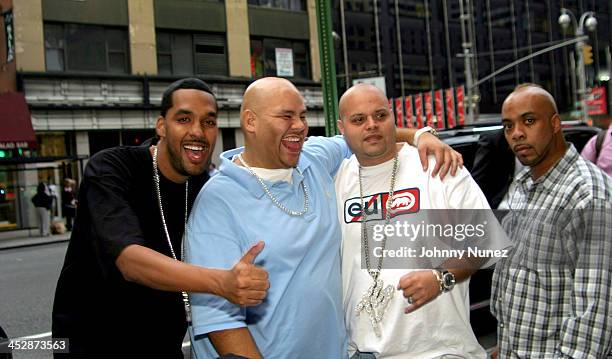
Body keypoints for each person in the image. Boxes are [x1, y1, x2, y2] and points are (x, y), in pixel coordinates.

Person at [186, 77, 462, 358]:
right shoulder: (217, 202)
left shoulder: (312, 158)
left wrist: (420, 135)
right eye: (286, 116)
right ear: (250, 121)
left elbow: (366, 131)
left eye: (303, 116)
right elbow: (222, 324)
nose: (299, 126)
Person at [52, 78, 269, 358]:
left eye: (209, 122)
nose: (198, 132)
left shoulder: (206, 185)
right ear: (161, 126)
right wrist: (221, 282)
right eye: (183, 119)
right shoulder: (112, 168)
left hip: (162, 345)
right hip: (90, 345)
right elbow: (129, 261)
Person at [335, 84, 490, 358]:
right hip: (361, 351)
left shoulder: (436, 166)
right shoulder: (337, 179)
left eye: (380, 116)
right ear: (342, 128)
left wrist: (440, 277)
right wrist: (419, 134)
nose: (371, 125)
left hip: (438, 350)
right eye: (359, 119)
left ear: (392, 118)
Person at [491, 84, 612, 358]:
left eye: (529, 121)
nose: (517, 133)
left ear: (555, 123)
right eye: (508, 126)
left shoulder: (589, 195)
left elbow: (593, 318)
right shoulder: (523, 185)